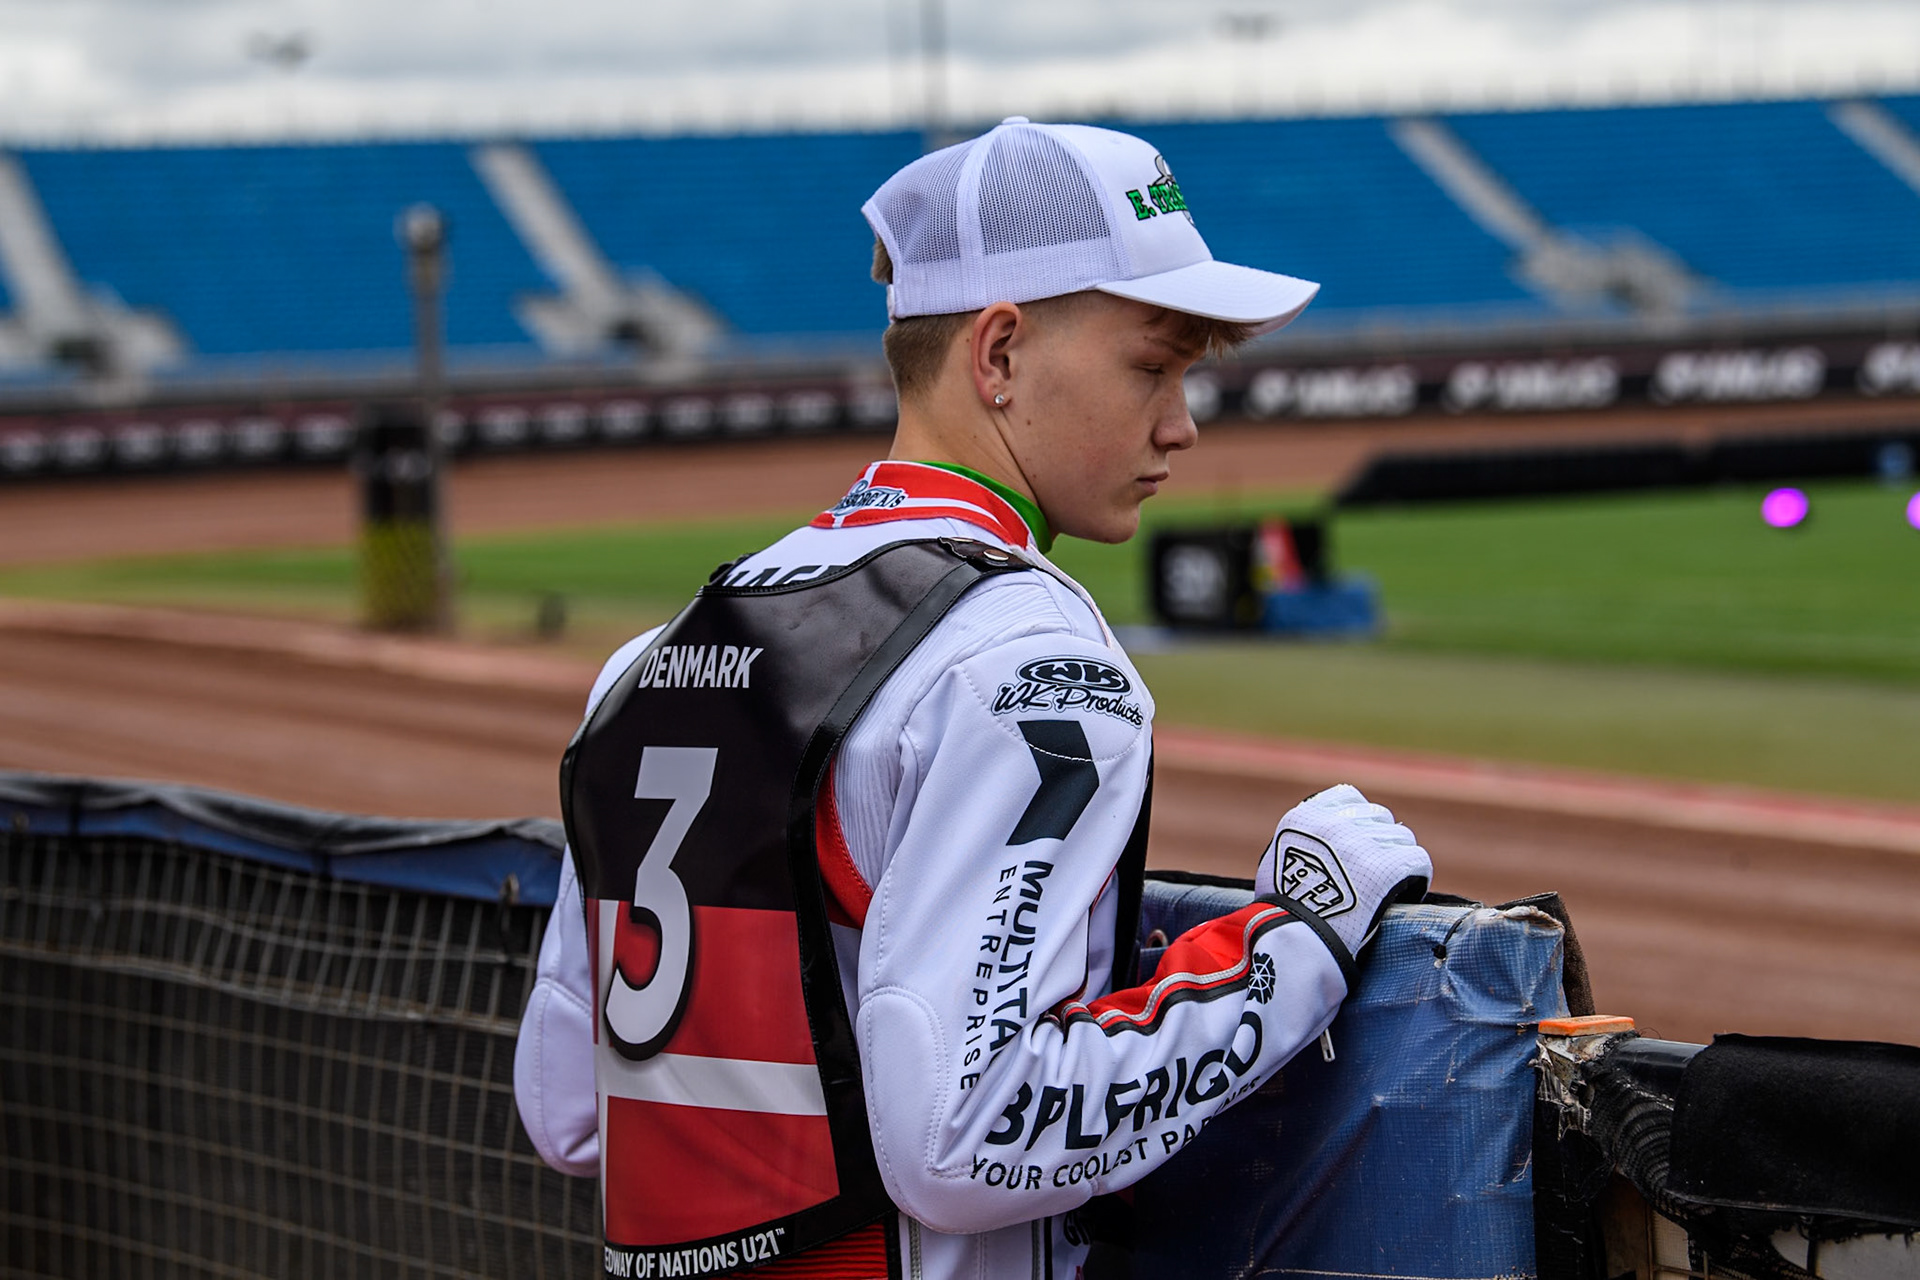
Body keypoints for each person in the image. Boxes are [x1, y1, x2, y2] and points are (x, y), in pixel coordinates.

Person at [514, 117, 1433, 1280]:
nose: (1181, 423)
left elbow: (568, 1108)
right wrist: (1295, 943)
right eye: (1153, 364)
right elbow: (972, 1132)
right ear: (996, 355)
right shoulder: (1024, 657)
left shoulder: (652, 657)